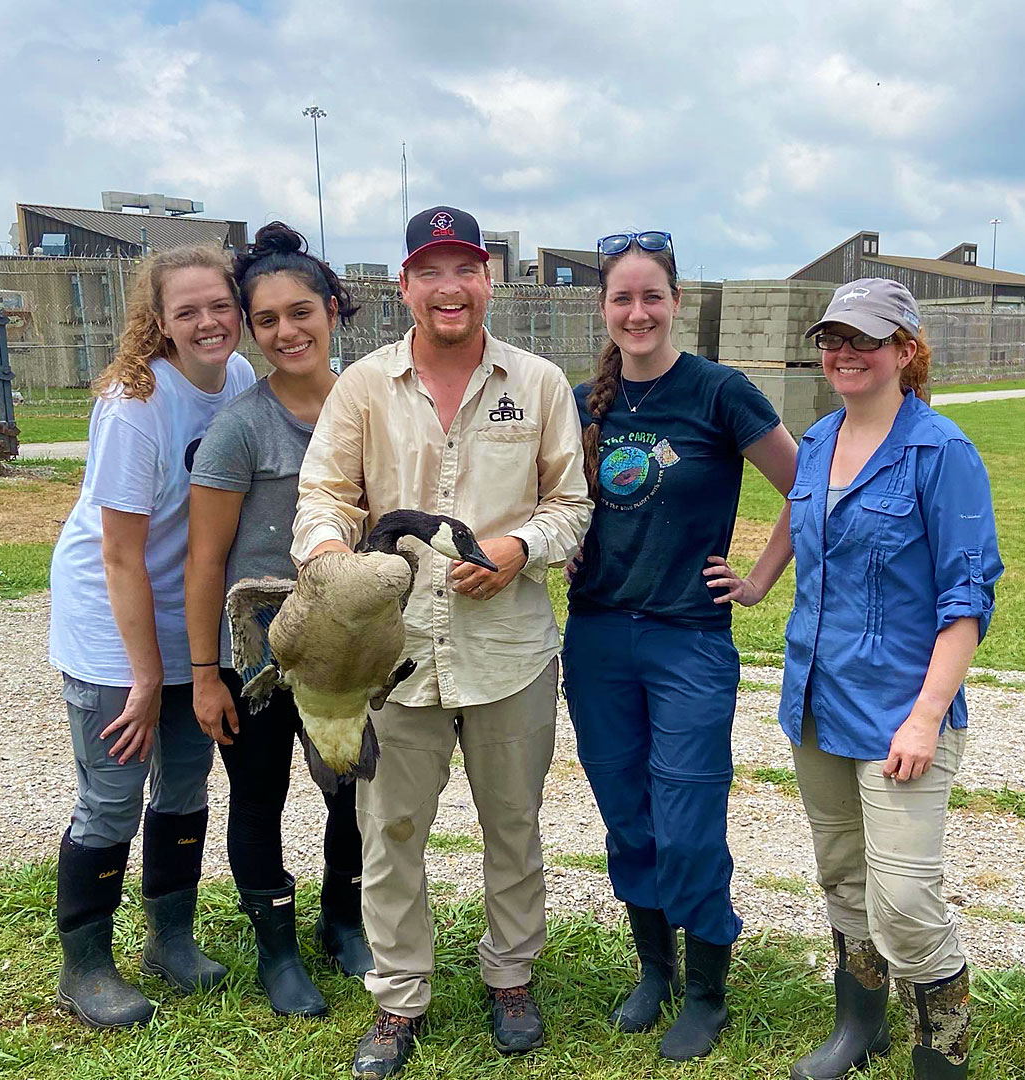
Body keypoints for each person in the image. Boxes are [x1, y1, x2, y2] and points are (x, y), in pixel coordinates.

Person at [290, 206, 592, 1078]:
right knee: (393, 829)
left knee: (513, 824)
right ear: (405, 284)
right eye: (431, 270)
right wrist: (327, 556)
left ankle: (510, 976)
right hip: (392, 658)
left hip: (509, 654)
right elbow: (325, 493)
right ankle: (398, 1000)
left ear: (489, 280)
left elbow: (571, 507)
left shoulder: (536, 384)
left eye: (467, 268)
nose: (449, 287)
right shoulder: (363, 387)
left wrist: (517, 549)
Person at [706, 278, 1003, 1080]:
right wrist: (761, 582)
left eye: (865, 340)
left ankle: (942, 1057)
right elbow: (804, 517)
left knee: (904, 903)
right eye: (832, 339)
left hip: (902, 714)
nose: (843, 354)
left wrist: (925, 718)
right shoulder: (821, 439)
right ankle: (859, 1029)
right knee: (843, 877)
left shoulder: (942, 453)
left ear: (906, 351)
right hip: (816, 699)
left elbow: (966, 600)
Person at [561, 231, 799, 1062]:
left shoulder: (718, 391)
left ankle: (706, 990)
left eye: (651, 296)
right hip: (594, 637)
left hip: (687, 639)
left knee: (689, 816)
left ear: (676, 301)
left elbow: (807, 487)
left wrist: (762, 579)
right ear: (604, 308)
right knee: (628, 814)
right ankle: (653, 969)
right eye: (621, 298)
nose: (637, 312)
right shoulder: (583, 398)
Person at [48, 245, 256, 1027]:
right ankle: (87, 967)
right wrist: (143, 674)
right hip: (113, 621)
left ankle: (169, 939)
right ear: (159, 323)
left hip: (187, 615)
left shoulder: (235, 380)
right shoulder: (135, 404)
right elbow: (118, 552)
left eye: (219, 306)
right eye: (187, 311)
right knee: (111, 796)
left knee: (186, 782)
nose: (208, 322)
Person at [184, 222, 371, 1018]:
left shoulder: (372, 406)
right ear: (252, 331)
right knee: (258, 796)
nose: (287, 331)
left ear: (332, 309)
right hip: (257, 655)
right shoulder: (240, 427)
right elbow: (204, 561)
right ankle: (277, 950)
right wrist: (203, 676)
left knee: (357, 794)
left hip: (347, 646)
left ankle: (345, 921)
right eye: (267, 321)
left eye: (302, 312)